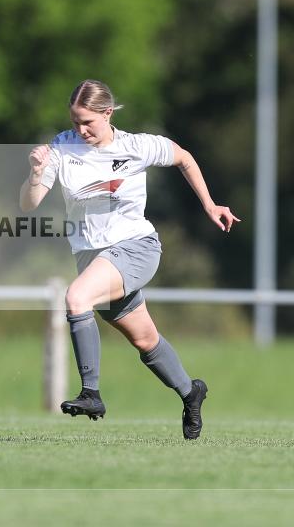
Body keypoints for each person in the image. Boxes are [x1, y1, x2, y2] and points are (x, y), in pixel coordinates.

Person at [20, 79, 239, 440]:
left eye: (87, 121)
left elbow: (184, 157)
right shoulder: (61, 147)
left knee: (76, 298)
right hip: (92, 258)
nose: (80, 129)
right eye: (75, 121)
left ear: (108, 114)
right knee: (144, 339)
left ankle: (91, 393)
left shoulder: (136, 146)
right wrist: (35, 173)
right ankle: (191, 392)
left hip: (137, 247)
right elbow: (29, 205)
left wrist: (209, 204)